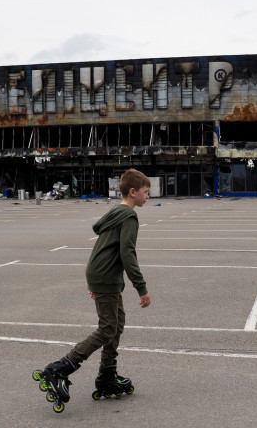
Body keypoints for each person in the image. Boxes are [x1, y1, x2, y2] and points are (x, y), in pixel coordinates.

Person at [40, 168, 152, 405]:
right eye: (146, 192)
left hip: (102, 274)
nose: (148, 197)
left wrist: (98, 280)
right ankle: (60, 369)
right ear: (133, 192)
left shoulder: (116, 212)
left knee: (116, 324)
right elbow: (127, 254)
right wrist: (141, 288)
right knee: (107, 328)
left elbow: (109, 249)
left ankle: (107, 375)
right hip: (104, 276)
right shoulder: (129, 216)